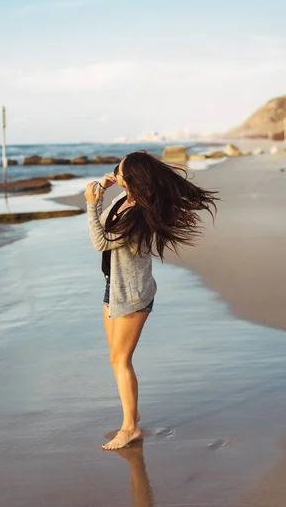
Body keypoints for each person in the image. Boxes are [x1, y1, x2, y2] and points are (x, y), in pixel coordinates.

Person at [84, 150, 219, 450]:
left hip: (132, 295)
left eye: (118, 171)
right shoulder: (126, 201)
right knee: (115, 358)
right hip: (113, 288)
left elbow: (100, 241)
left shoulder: (140, 214)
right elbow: (107, 227)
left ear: (131, 178)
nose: (114, 174)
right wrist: (105, 195)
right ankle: (132, 411)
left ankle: (130, 427)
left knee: (121, 360)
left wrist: (91, 205)